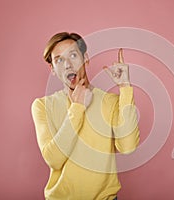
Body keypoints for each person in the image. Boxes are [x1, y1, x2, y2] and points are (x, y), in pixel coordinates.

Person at [31, 32, 140, 200]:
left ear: (86, 58)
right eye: (58, 60)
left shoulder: (109, 102)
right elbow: (53, 159)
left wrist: (125, 87)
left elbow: (128, 147)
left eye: (73, 55)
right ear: (52, 69)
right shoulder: (42, 106)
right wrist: (78, 107)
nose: (67, 64)